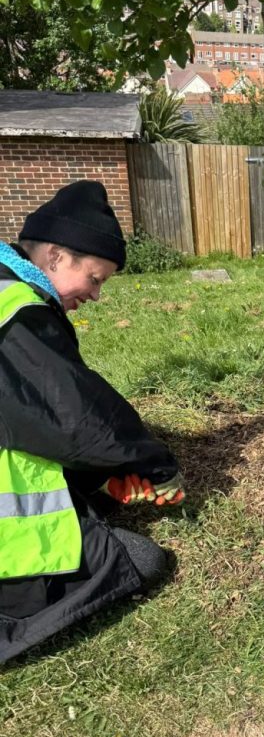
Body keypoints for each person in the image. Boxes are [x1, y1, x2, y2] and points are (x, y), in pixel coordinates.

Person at [0, 180, 185, 663]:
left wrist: (99, 478)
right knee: (137, 559)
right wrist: (155, 464)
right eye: (96, 279)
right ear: (56, 256)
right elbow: (75, 419)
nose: (97, 296)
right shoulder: (16, 312)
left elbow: (29, 414)